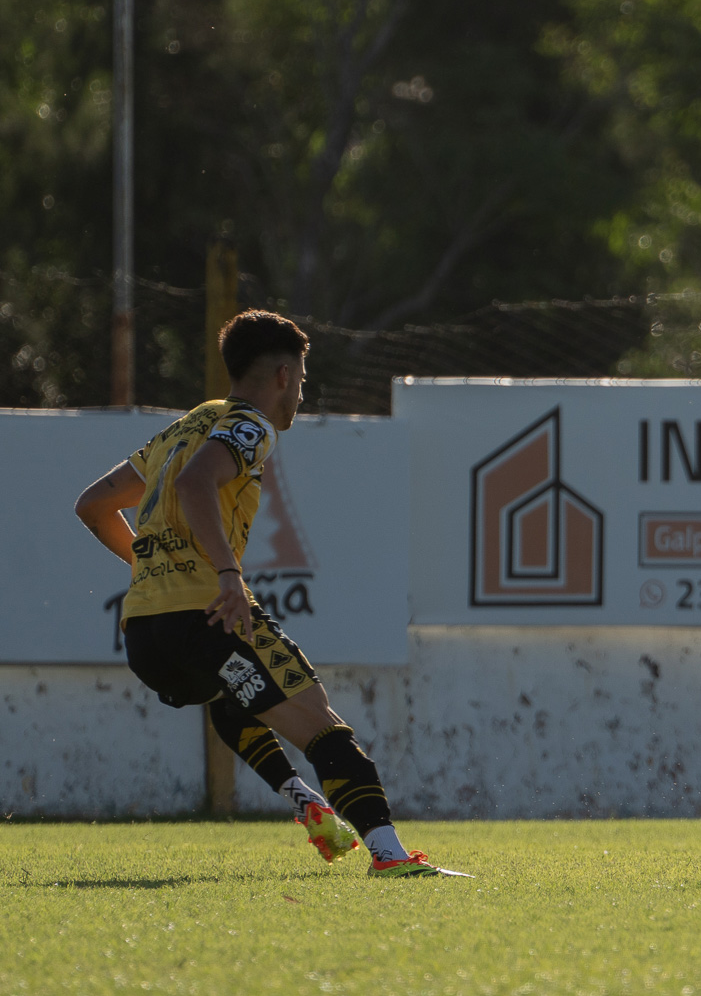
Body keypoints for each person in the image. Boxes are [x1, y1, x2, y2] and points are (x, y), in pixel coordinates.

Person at [74, 310, 465, 878]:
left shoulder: (185, 426)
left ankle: (301, 796)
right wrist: (228, 576)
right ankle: (391, 855)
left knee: (233, 692)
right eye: (302, 382)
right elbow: (195, 483)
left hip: (145, 637)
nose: (300, 397)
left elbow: (93, 504)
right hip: (207, 614)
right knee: (320, 723)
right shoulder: (249, 424)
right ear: (283, 375)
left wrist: (150, 566)